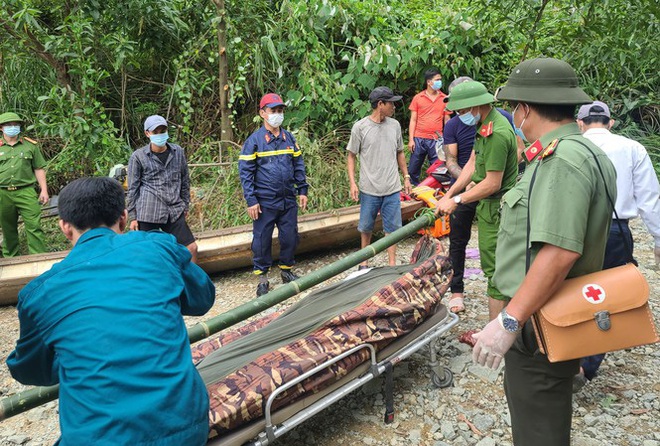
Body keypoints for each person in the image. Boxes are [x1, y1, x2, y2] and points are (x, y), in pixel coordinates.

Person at [471, 57, 617, 445]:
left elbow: (559, 252)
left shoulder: (561, 161)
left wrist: (508, 322)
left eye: (516, 107)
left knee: (538, 430)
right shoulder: (586, 153)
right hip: (552, 317)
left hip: (540, 326)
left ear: (526, 109)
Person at [7, 177, 215, 445]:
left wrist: (81, 353)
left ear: (64, 228)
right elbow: (203, 298)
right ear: (123, 218)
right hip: (186, 428)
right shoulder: (158, 248)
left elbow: (29, 370)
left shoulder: (40, 293)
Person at [573, 100, 660, 387]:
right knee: (606, 297)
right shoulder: (633, 148)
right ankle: (587, 365)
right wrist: (658, 240)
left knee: (570, 290)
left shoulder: (571, 146)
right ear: (611, 122)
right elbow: (650, 200)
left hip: (575, 229)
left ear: (581, 123)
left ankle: (564, 352)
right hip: (616, 231)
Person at [435, 81, 518, 321]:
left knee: (496, 272)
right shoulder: (484, 126)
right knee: (490, 264)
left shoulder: (498, 133)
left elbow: (493, 183)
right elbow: (471, 163)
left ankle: (497, 332)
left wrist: (458, 200)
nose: (461, 116)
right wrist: (449, 194)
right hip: (485, 204)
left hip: (497, 207)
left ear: (477, 106)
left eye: (462, 111)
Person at [239, 93, 308, 297]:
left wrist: (302, 190)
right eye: (273, 110)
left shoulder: (289, 138)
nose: (277, 114)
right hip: (264, 202)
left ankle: (286, 271)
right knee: (261, 240)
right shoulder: (254, 141)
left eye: (280, 110)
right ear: (262, 113)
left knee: (290, 237)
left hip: (288, 199)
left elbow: (298, 165)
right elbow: (246, 173)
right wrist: (251, 200)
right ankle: (262, 279)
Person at [347, 86, 412, 269]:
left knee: (392, 229)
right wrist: (353, 183)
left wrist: (406, 177)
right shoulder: (360, 127)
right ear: (380, 104)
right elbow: (351, 155)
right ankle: (364, 262)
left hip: (392, 187)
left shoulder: (395, 125)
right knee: (366, 227)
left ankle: (392, 265)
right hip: (369, 188)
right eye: (390, 103)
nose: (394, 106)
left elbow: (400, 153)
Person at [127, 115, 198, 263]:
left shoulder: (177, 152)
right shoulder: (138, 157)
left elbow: (185, 180)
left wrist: (185, 205)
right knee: (147, 254)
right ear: (148, 134)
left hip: (174, 209)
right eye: (156, 131)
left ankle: (193, 284)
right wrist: (133, 217)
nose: (160, 134)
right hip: (148, 211)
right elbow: (133, 188)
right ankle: (151, 285)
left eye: (163, 130)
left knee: (191, 248)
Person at [0, 112, 48, 257]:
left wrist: (44, 190)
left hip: (26, 191)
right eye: (9, 125)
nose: (13, 127)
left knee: (34, 226)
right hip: (3, 193)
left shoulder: (30, 145)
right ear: (1, 128)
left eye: (16, 124)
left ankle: (39, 258)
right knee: (8, 229)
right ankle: (10, 260)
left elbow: (38, 168)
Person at [407, 68, 451, 185]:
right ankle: (412, 189)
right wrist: (411, 140)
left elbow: (447, 120)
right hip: (419, 138)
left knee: (438, 168)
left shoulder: (444, 98)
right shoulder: (418, 98)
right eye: (437, 80)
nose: (440, 82)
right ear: (429, 82)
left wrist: (448, 139)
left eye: (440, 79)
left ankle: (434, 190)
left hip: (437, 139)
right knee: (413, 168)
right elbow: (413, 120)